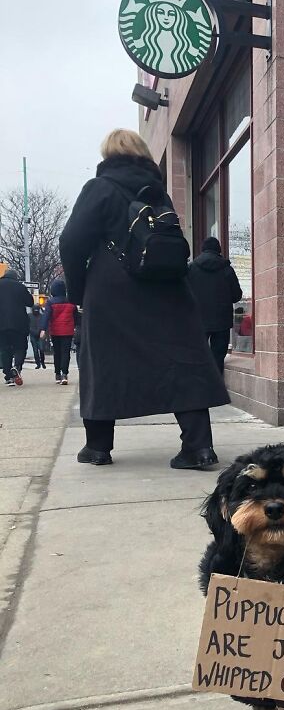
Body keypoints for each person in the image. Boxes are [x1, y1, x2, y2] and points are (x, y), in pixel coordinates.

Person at [59, 128, 230, 468]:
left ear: (108, 155)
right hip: (167, 287)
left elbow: (71, 240)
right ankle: (198, 447)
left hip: (112, 292)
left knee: (102, 363)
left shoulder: (100, 189)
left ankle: (98, 446)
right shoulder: (157, 193)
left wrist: (79, 292)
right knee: (183, 362)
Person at [188, 236, 242, 373]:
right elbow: (237, 295)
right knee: (218, 358)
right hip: (222, 321)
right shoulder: (227, 269)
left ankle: (199, 390)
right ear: (219, 250)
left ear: (202, 250)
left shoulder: (191, 269)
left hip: (199, 320)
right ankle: (216, 390)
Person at [0, 269, 33, 387]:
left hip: (1, 324)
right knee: (20, 347)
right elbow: (30, 302)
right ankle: (17, 367)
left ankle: (8, 376)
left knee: (5, 349)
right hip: (19, 324)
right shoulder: (20, 287)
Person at [40, 279, 76, 385]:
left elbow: (46, 316)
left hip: (55, 331)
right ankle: (65, 374)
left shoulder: (50, 302)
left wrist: (43, 329)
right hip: (68, 331)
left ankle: (57, 375)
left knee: (57, 353)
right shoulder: (71, 301)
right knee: (66, 353)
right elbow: (75, 316)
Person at [28, 304, 46, 369]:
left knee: (41, 349)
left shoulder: (41, 316)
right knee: (35, 351)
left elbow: (44, 324)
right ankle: (38, 364)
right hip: (33, 334)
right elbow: (27, 324)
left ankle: (42, 362)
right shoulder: (29, 316)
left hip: (40, 334)